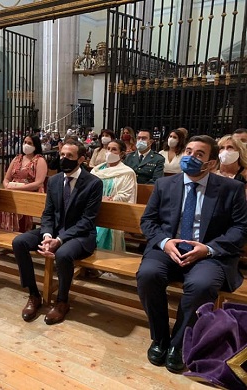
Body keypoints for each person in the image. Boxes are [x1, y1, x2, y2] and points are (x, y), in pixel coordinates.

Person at [136, 135, 247, 374]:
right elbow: (148, 221)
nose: (190, 157)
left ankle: (178, 344)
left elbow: (240, 228)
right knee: (147, 275)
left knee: (202, 285)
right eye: (188, 151)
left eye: (199, 154)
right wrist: (165, 242)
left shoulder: (232, 189)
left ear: (211, 163)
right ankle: (160, 337)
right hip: (169, 249)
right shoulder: (165, 184)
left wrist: (208, 248)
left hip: (208, 253)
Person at [12, 140, 103, 325]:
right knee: (19, 242)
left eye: (70, 156)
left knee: (62, 254)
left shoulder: (93, 183)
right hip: (54, 231)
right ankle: (33, 294)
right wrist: (46, 235)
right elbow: (48, 213)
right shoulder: (54, 180)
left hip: (81, 235)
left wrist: (59, 240)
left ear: (82, 159)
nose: (64, 159)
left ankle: (62, 301)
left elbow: (87, 220)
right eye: (62, 155)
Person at [0, 135, 47, 232]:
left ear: (36, 145)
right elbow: (6, 178)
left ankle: (21, 233)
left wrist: (18, 188)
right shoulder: (17, 159)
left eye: (29, 143)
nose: (26, 145)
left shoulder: (39, 160)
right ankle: (6, 233)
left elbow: (39, 183)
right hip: (12, 190)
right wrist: (7, 185)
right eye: (25, 142)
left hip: (30, 193)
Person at [91, 139, 137, 251]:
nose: (110, 152)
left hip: (113, 211)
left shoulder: (127, 172)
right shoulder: (96, 170)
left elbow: (126, 194)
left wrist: (110, 199)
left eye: (114, 150)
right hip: (93, 209)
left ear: (121, 154)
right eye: (108, 149)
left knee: (100, 235)